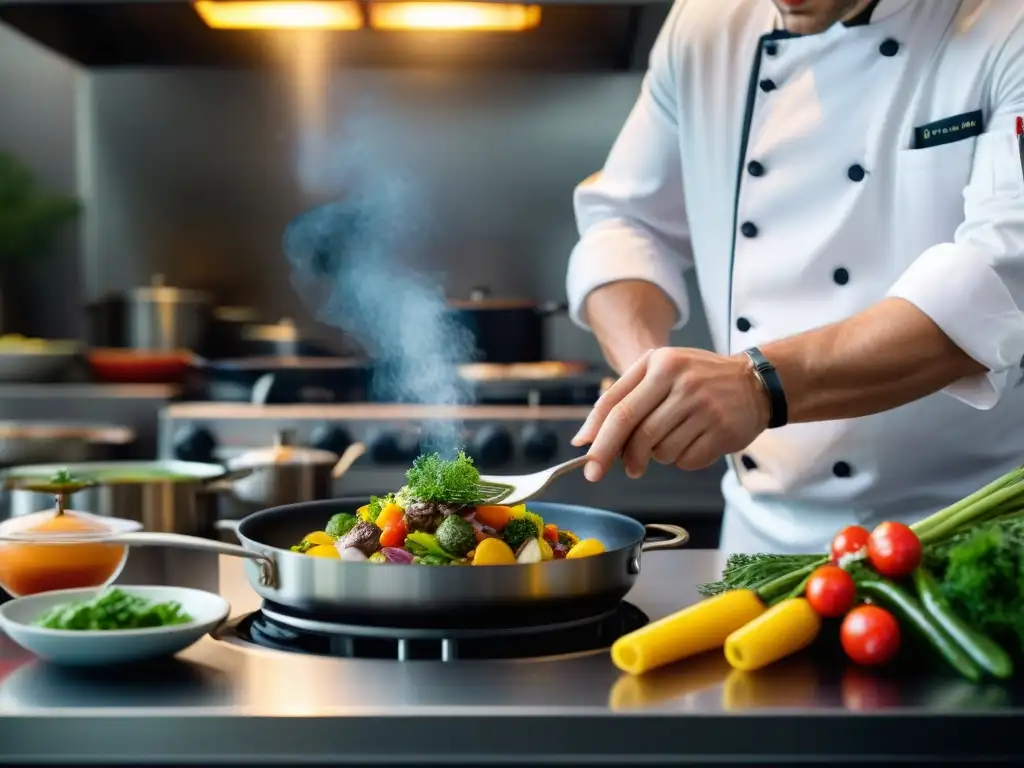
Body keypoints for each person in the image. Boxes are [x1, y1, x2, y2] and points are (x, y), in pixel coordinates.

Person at [566, 0, 1024, 555]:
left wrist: (759, 384)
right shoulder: (707, 23)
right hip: (762, 545)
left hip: (966, 533)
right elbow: (625, 220)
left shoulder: (1005, 24)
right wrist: (649, 378)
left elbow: (1000, 279)